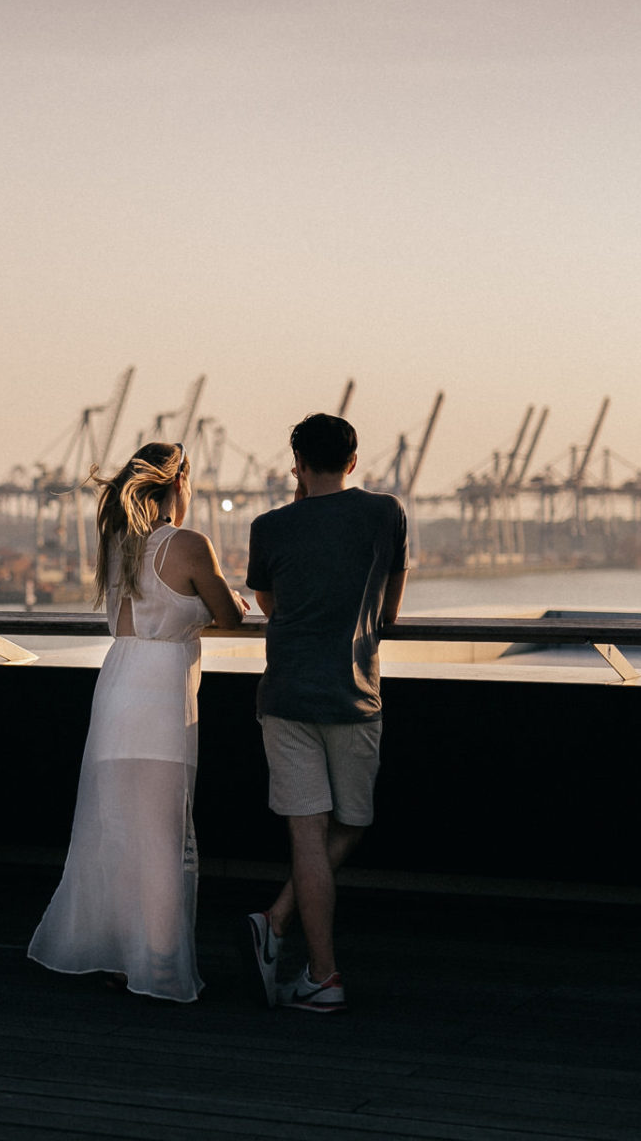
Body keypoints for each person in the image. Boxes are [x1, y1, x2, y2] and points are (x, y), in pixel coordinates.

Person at [29, 442, 246, 1001]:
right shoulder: (190, 544)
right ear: (179, 486)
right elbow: (226, 613)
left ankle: (122, 955)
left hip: (117, 685)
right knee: (163, 834)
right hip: (161, 698)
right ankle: (160, 969)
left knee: (121, 830)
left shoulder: (119, 544)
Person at [243, 413, 407, 1014]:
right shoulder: (385, 513)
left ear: (297, 465)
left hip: (286, 696)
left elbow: (271, 604)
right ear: (354, 461)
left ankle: (309, 957)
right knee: (353, 823)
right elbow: (389, 611)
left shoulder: (269, 526)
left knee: (306, 836)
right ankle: (310, 959)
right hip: (355, 694)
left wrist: (298, 505)